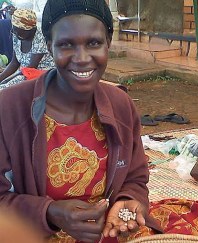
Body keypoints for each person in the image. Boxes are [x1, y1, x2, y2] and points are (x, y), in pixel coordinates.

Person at [0, 0, 161, 242]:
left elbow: (136, 176)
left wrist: (127, 200)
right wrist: (50, 213)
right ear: (50, 45)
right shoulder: (10, 107)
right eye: (66, 45)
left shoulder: (121, 105)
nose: (82, 58)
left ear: (108, 42)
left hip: (108, 232)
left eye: (94, 43)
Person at [0, 8, 54, 89]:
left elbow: (31, 68)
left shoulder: (40, 38)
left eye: (20, 31)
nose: (16, 33)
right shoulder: (16, 35)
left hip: (41, 74)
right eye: (14, 30)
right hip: (23, 73)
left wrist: (7, 81)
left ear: (31, 29)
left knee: (4, 89)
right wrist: (1, 77)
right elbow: (14, 63)